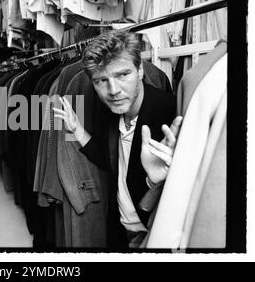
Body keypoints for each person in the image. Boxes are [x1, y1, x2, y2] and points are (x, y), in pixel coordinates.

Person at [53, 30, 183, 249]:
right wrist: (77, 129)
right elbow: (108, 159)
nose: (113, 90)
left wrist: (155, 182)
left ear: (140, 70)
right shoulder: (113, 113)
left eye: (123, 75)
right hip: (121, 227)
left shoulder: (171, 115)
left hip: (153, 232)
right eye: (102, 80)